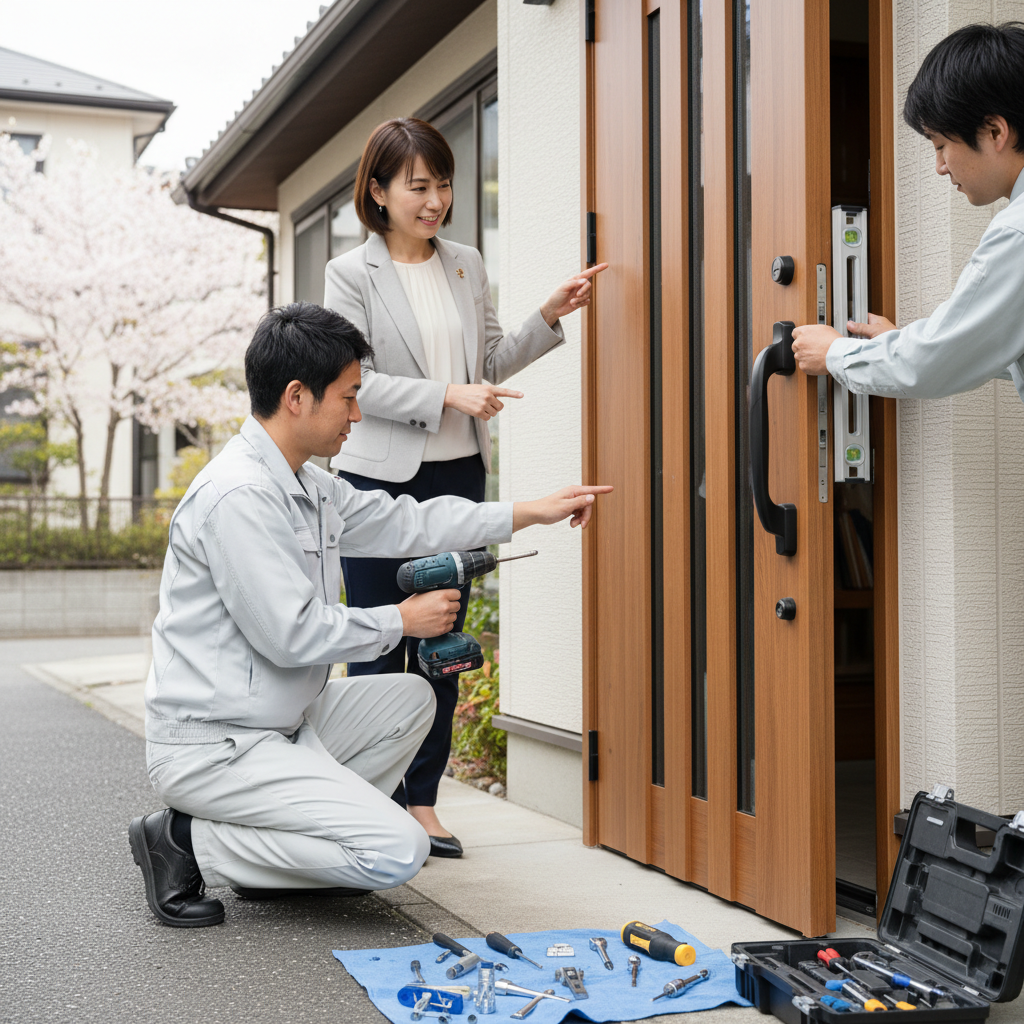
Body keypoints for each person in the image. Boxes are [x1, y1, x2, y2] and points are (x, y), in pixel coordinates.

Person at [128, 302, 611, 928]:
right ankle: (184, 838)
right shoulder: (239, 496)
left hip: (283, 723)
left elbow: (409, 520)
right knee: (396, 850)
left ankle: (288, 860)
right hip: (218, 745)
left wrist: (527, 512)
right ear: (297, 397)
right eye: (348, 397)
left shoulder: (309, 484)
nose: (358, 414)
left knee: (413, 697)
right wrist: (402, 620)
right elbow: (291, 635)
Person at [323, 117, 607, 857]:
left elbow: (489, 361)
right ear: (379, 192)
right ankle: (369, 797)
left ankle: (422, 800)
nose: (436, 199)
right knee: (382, 645)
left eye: (444, 183)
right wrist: (448, 394)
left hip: (456, 472)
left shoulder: (466, 264)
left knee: (444, 642)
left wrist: (548, 316)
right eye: (419, 185)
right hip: (377, 482)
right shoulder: (350, 273)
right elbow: (361, 384)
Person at [792, 23, 1024, 398]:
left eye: (940, 144)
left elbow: (932, 365)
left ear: (996, 132)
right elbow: (987, 342)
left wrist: (835, 353)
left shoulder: (1017, 233)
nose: (940, 166)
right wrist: (905, 342)